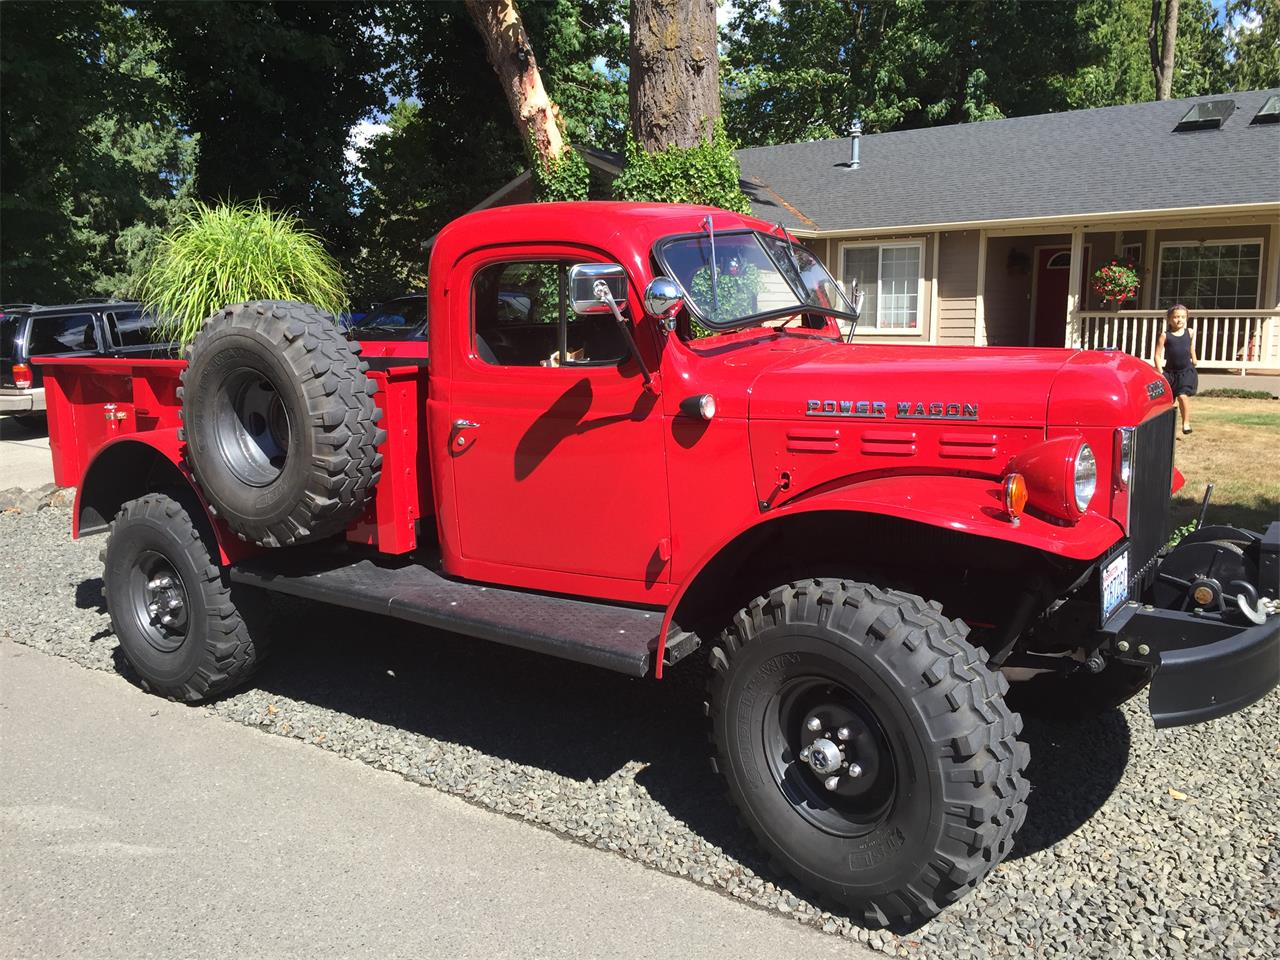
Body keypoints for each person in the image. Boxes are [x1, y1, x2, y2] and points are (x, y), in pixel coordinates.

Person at [1154, 303, 1197, 434]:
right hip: (1170, 373)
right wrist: (1160, 371)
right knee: (1168, 401)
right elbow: (1157, 354)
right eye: (1176, 317)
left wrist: (1194, 358)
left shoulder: (1189, 332)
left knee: (1183, 396)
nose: (1180, 320)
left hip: (1186, 372)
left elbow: (1191, 347)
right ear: (1169, 319)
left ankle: (1186, 423)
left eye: (1183, 317)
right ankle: (1164, 427)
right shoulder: (1165, 335)